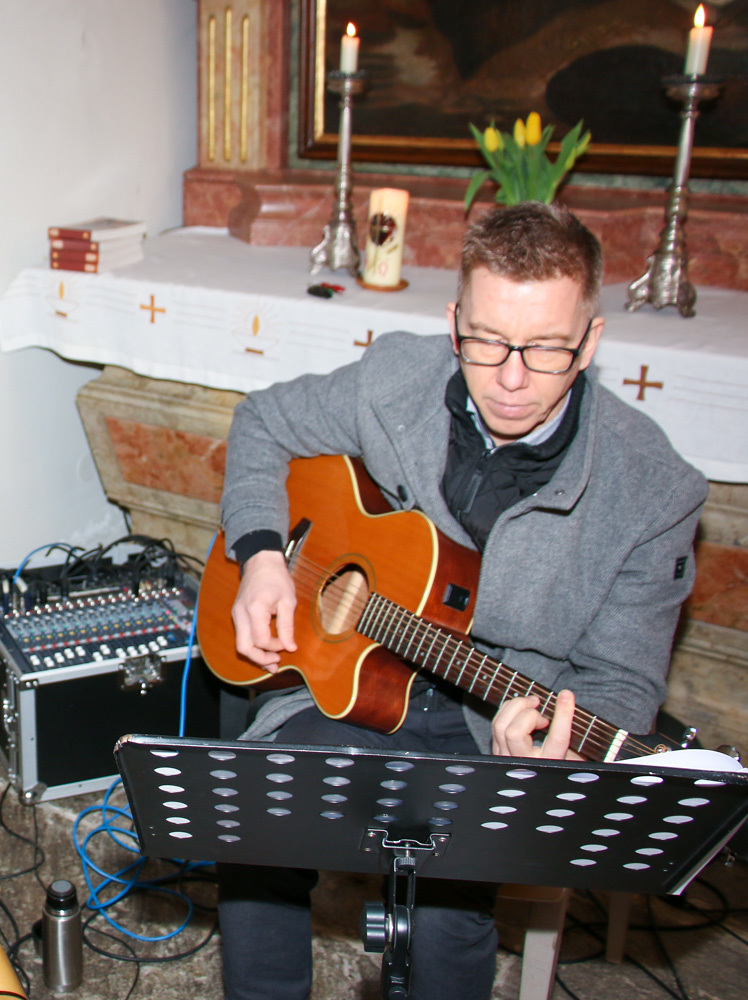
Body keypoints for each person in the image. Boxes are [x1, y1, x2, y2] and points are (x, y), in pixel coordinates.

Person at [215, 202, 707, 1000]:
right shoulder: (395, 379)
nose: (512, 379)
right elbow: (263, 421)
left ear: (590, 342)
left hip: (490, 722)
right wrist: (263, 554)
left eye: (546, 349)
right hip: (350, 687)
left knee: (447, 912)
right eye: (486, 341)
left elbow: (623, 685)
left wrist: (552, 751)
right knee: (254, 822)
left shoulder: (652, 489)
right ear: (453, 325)